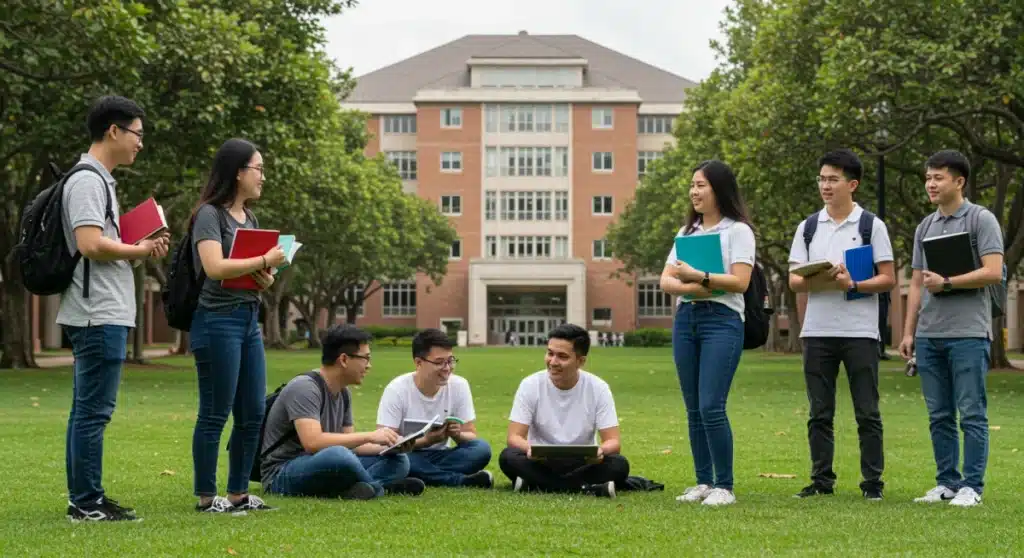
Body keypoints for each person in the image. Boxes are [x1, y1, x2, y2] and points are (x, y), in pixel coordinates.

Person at [62, 95, 170, 522]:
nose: (140, 144)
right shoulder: (88, 180)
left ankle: (87, 497)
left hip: (101, 309)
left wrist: (139, 248)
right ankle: (86, 503)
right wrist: (138, 247)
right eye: (137, 134)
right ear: (114, 131)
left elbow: (105, 244)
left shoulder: (101, 180)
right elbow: (90, 244)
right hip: (96, 312)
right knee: (93, 411)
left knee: (87, 410)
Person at [788, 149, 895, 500]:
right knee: (819, 413)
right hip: (817, 332)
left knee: (868, 412)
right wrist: (821, 275)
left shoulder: (871, 226)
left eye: (833, 179)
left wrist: (853, 285)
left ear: (853, 184)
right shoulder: (808, 227)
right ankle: (821, 481)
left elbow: (888, 278)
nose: (825, 185)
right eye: (821, 178)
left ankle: (872, 484)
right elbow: (794, 280)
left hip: (860, 333)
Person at [899, 150, 1005, 507]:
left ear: (959, 181)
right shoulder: (925, 226)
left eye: (938, 177)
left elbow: (992, 271)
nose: (930, 183)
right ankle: (946, 483)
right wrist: (909, 332)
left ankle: (971, 487)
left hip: (969, 333)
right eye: (928, 177)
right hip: (929, 335)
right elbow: (915, 283)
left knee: (971, 412)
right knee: (939, 414)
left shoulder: (981, 219)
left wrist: (947, 282)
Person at [189, 138, 286, 513]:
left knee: (252, 412)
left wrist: (266, 275)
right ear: (238, 172)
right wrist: (264, 257)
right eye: (258, 169)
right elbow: (214, 267)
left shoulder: (251, 219)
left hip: (248, 320)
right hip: (216, 322)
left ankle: (238, 495)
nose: (263, 176)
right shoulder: (209, 215)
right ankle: (204, 496)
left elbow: (253, 273)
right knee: (215, 411)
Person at [659, 160, 755, 506]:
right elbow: (666, 279)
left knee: (711, 405)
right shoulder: (688, 233)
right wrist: (696, 287)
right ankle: (703, 481)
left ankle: (724, 485)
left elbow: (740, 282)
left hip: (722, 321)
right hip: (687, 319)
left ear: (719, 189)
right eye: (692, 186)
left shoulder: (738, 231)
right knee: (693, 408)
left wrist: (699, 278)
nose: (694, 192)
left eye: (701, 185)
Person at [263, 324, 425, 499]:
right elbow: (312, 442)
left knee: (399, 460)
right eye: (366, 358)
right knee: (339, 455)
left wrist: (390, 445)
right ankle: (378, 488)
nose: (369, 366)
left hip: (325, 464)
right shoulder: (305, 388)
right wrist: (371, 435)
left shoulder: (343, 392)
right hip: (283, 472)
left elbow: (352, 444)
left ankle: (360, 488)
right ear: (344, 359)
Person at [499, 324, 629, 498]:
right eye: (550, 353)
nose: (553, 362)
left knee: (619, 464)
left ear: (580, 361)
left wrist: (600, 451)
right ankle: (586, 488)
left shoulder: (598, 388)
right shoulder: (530, 385)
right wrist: (529, 449)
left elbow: (613, 441)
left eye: (562, 356)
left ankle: (537, 484)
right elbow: (514, 437)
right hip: (540, 461)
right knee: (508, 457)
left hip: (582, 461)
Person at [376, 328, 493, 488]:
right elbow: (385, 444)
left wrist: (457, 434)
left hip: (441, 455)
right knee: (399, 460)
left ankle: (419, 475)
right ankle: (458, 481)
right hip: (408, 454)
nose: (447, 368)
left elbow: (471, 435)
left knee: (481, 449)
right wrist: (426, 441)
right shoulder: (397, 389)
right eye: (439, 362)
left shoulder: (459, 385)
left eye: (450, 361)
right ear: (418, 363)